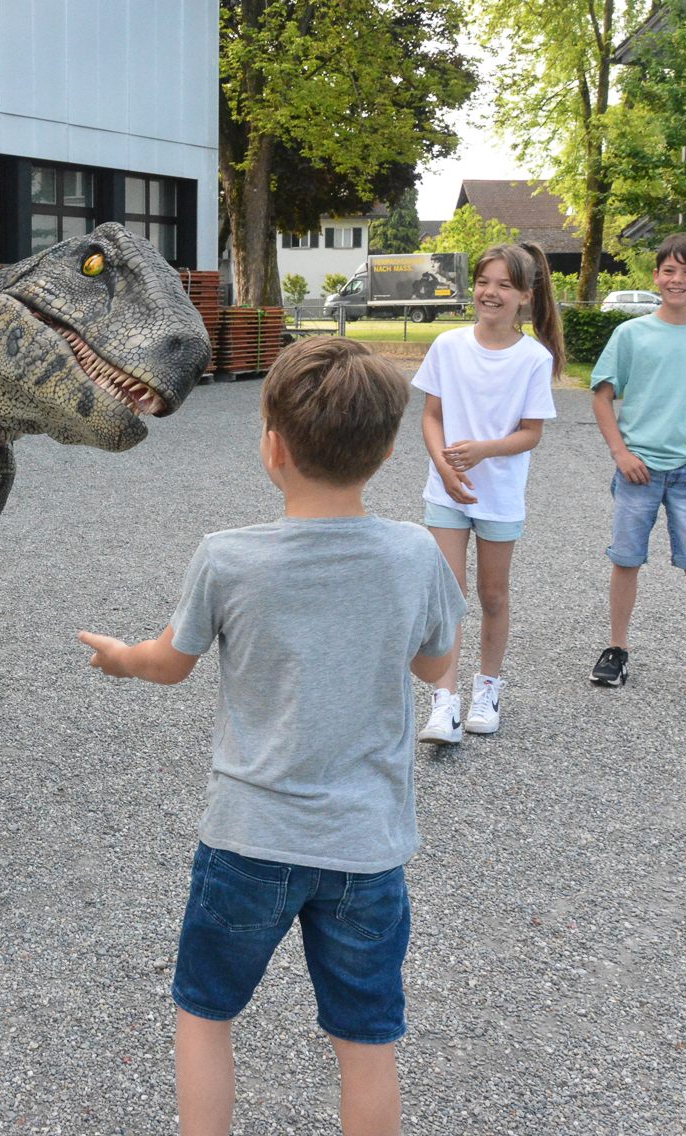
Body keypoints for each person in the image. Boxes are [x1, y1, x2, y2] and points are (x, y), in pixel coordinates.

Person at [77, 339, 464, 1136]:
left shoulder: (229, 559)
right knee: (366, 1040)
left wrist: (121, 660)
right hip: (367, 844)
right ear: (388, 450)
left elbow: (169, 663)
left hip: (250, 837)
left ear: (272, 446)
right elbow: (437, 664)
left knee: (205, 1012)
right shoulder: (415, 554)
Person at [413, 243, 564, 744]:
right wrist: (445, 465)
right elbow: (431, 417)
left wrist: (482, 451)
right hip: (446, 491)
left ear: (525, 294)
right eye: (484, 282)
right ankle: (444, 701)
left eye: (504, 284)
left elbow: (530, 433)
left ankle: (488, 688)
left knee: (492, 595)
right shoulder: (449, 346)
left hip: (499, 496)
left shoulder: (533, 358)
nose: (490, 293)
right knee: (449, 595)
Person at [588, 232, 686, 699]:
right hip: (639, 469)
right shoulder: (630, 334)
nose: (677, 280)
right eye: (669, 271)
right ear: (656, 275)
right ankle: (617, 649)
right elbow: (602, 395)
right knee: (626, 560)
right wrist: (621, 453)